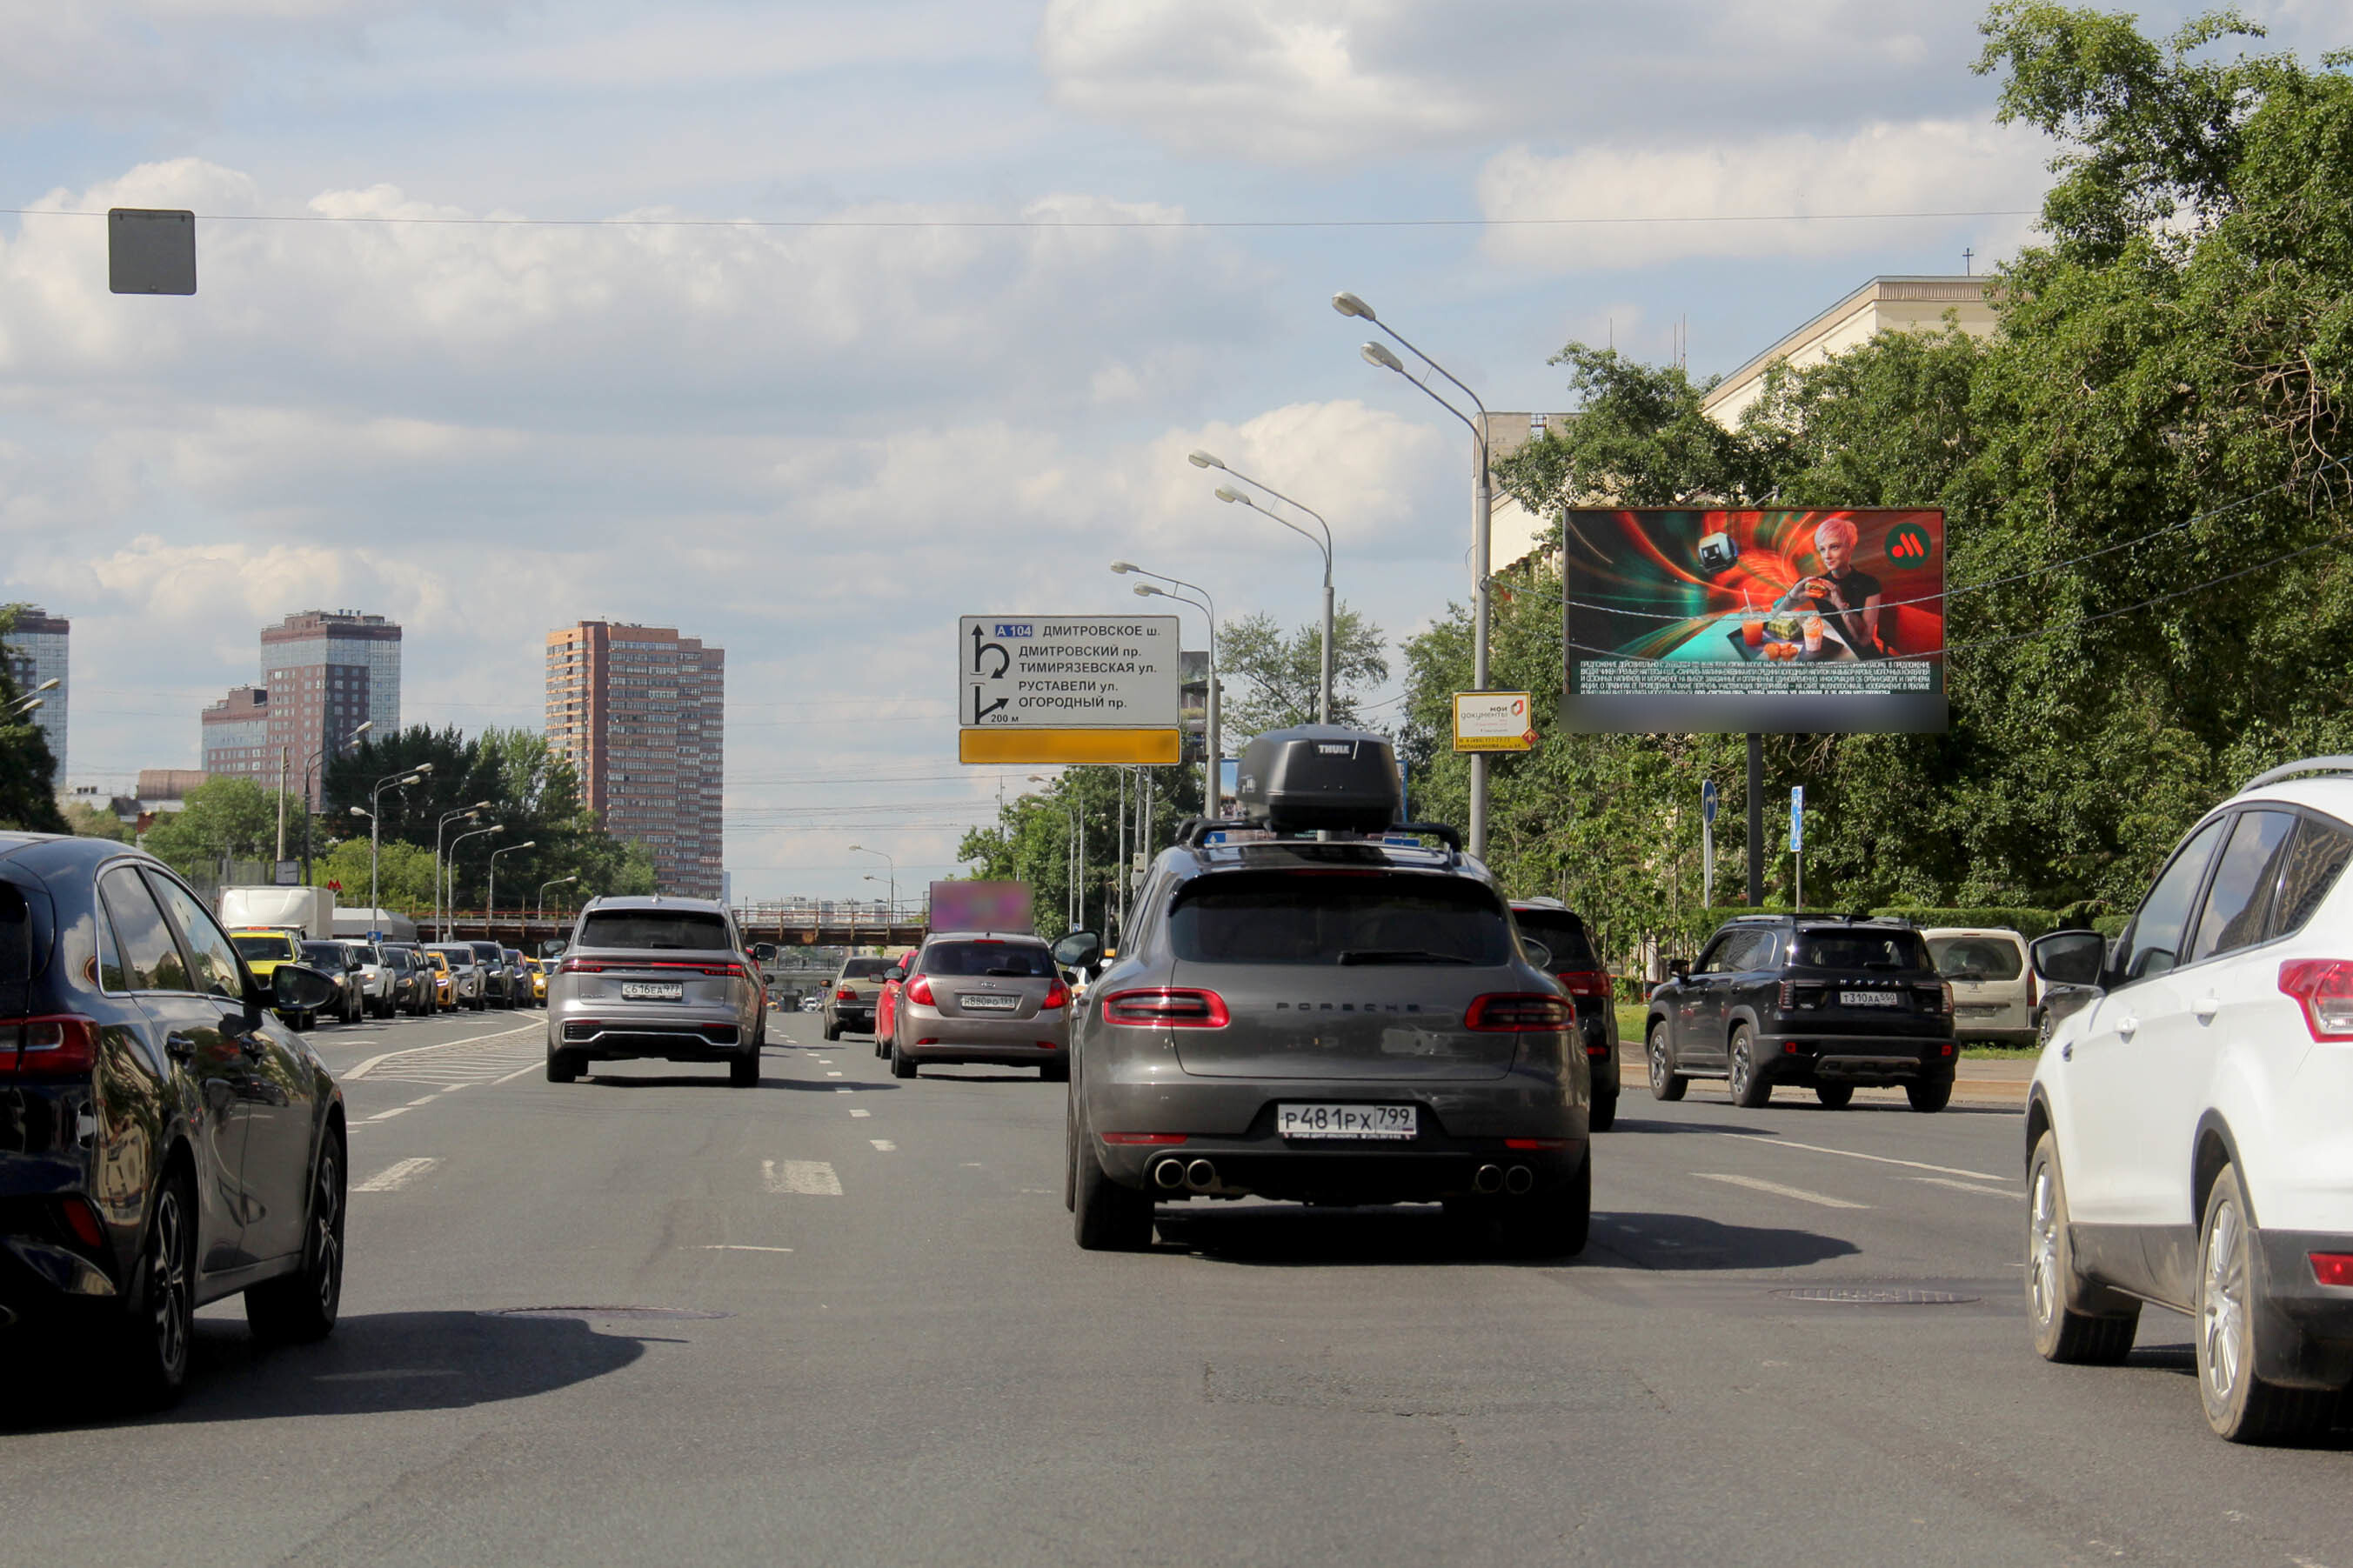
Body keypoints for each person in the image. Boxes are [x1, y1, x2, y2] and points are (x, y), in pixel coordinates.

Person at [1785, 517, 1887, 657]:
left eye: (1834, 547)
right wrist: (1791, 597)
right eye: (1822, 549)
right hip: (1830, 655)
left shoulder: (1870, 584)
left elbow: (1864, 641)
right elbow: (1775, 616)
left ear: (1850, 547)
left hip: (1861, 659)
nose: (1827, 556)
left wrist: (1840, 604)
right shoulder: (1817, 584)